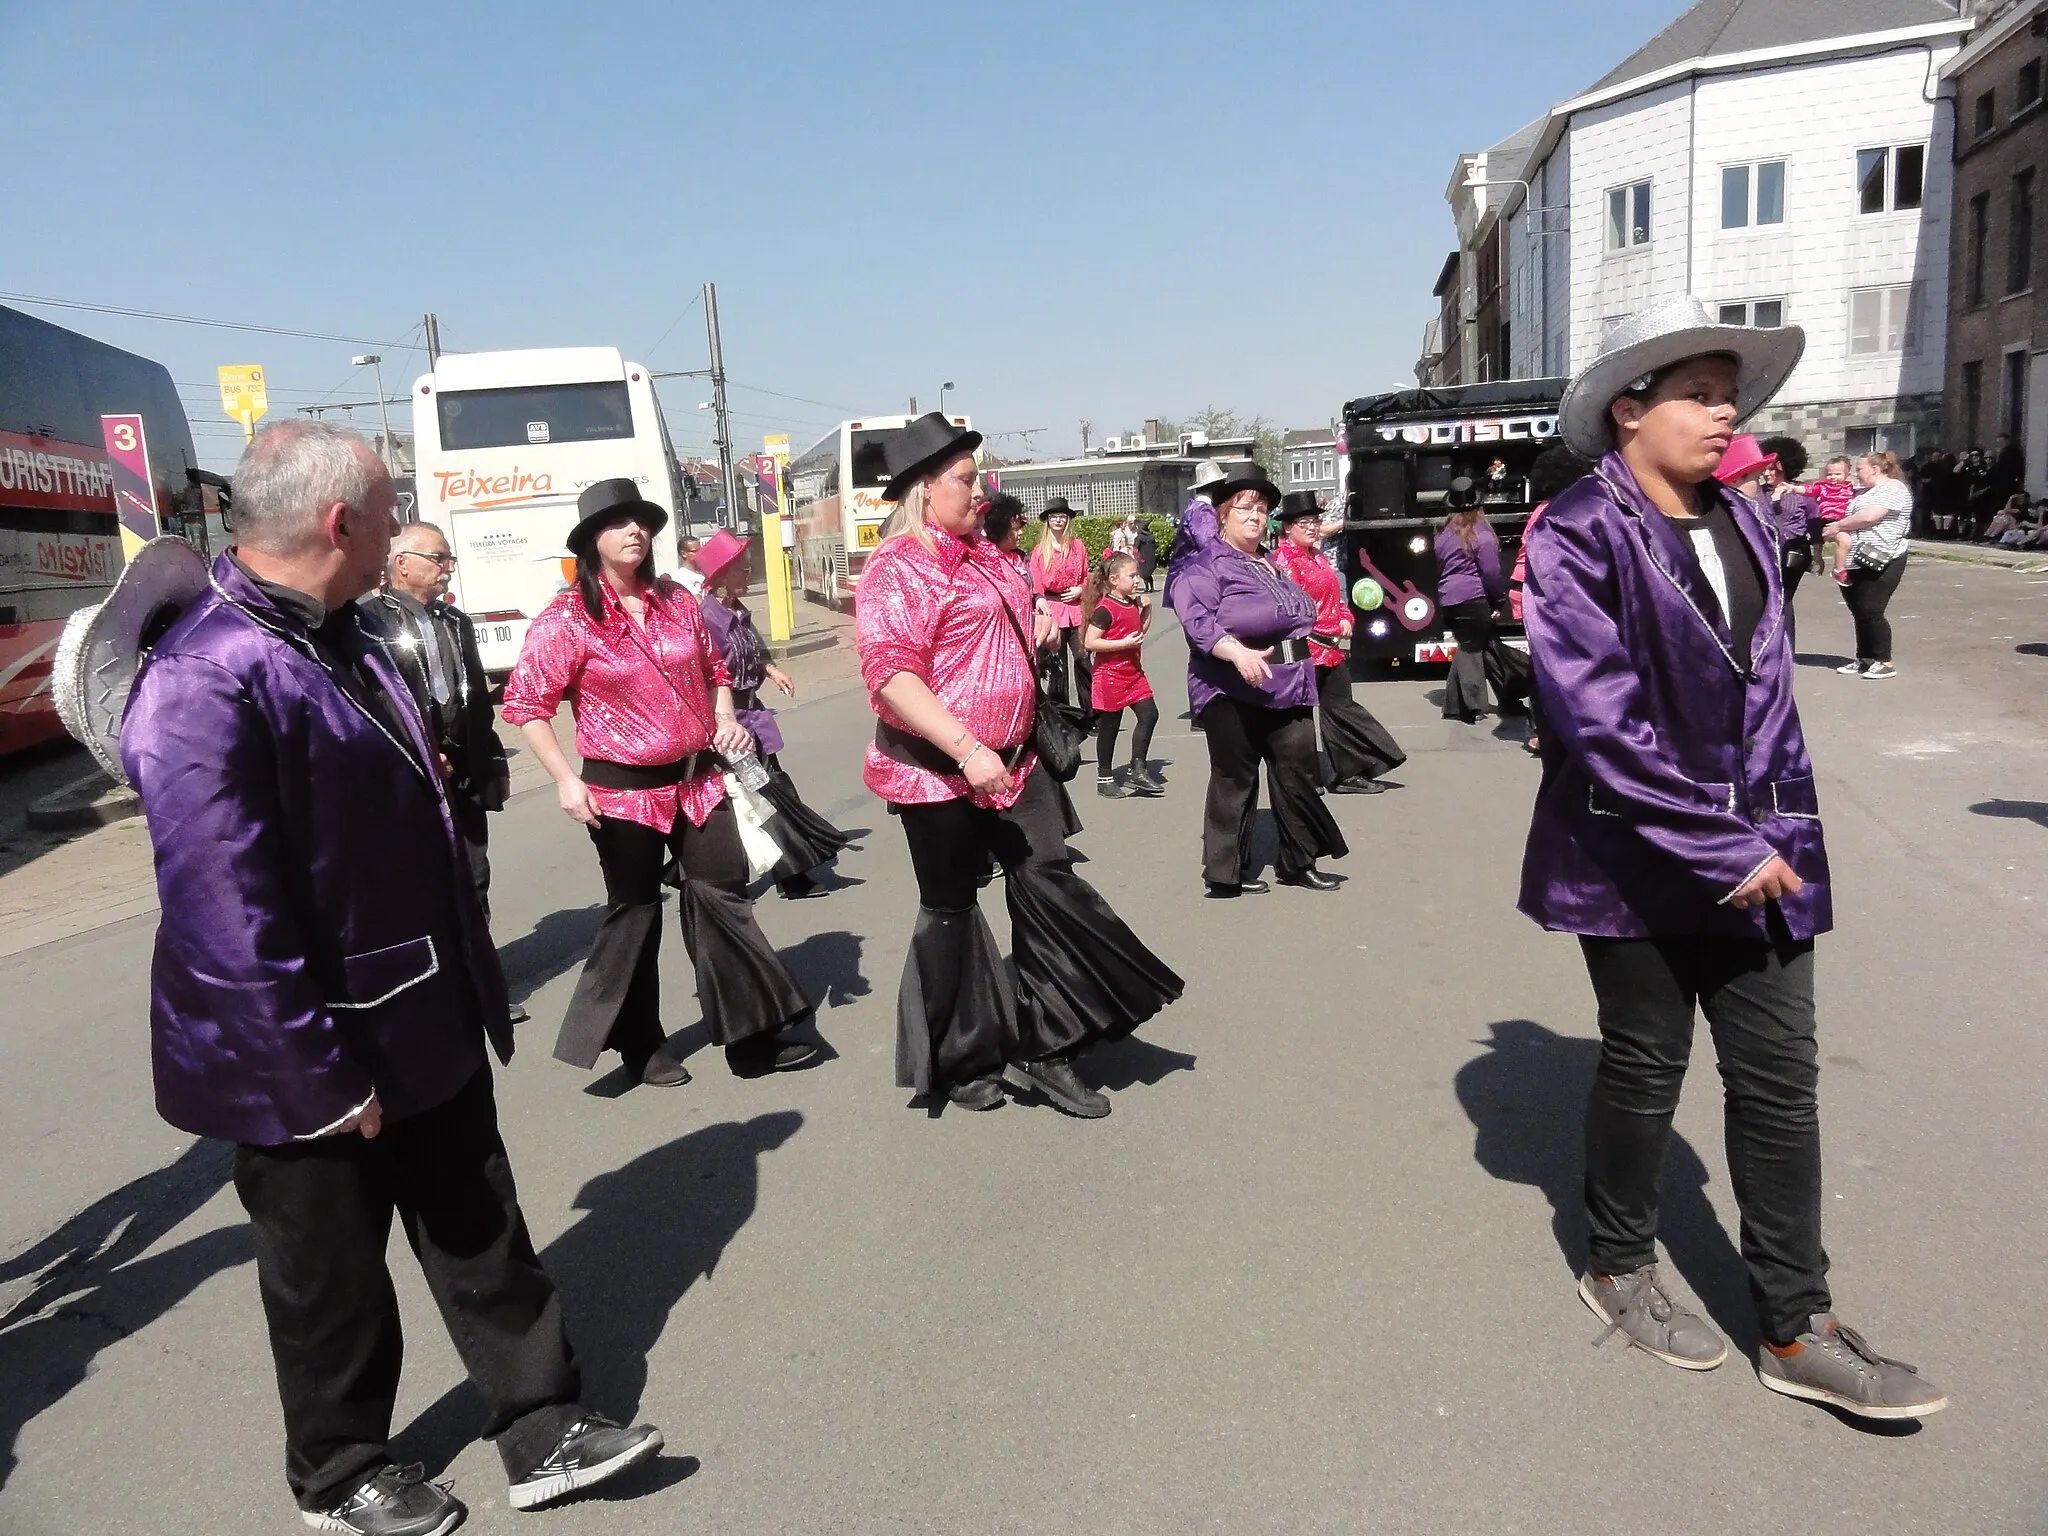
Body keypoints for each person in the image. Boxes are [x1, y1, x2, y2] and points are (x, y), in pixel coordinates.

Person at [119, 422, 662, 1534]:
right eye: (387, 506)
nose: (406, 527)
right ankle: (339, 1472)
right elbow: (226, 913)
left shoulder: (349, 632)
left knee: (480, 1223)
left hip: (418, 1005)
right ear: (340, 522)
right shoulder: (205, 674)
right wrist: (319, 1073)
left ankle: (538, 1419)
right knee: (329, 1276)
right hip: (300, 1047)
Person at [1523, 294, 1945, 1421]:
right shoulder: (1574, 528)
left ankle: (1794, 1326)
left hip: (1767, 856)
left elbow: (1768, 697)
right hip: (1628, 854)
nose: (1724, 416)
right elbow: (1593, 716)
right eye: (1698, 396)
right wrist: (1712, 839)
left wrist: (1773, 835)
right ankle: (1615, 1262)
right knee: (1644, 1065)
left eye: (1728, 396)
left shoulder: (1750, 521)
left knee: (1777, 1083)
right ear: (1628, 411)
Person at [856, 414, 1181, 1116]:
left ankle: (1047, 1042)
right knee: (950, 911)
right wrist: (968, 750)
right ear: (923, 489)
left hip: (1017, 759)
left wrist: (1029, 624)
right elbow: (891, 676)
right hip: (935, 771)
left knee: (1049, 884)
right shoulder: (896, 569)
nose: (982, 493)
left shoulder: (990, 555)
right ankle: (959, 1055)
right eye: (969, 482)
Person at [501, 478, 822, 1088]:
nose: (635, 532)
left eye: (643, 521)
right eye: (620, 522)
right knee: (637, 914)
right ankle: (639, 1044)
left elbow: (716, 667)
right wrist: (567, 781)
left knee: (722, 899)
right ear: (593, 539)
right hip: (621, 792)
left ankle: (749, 1035)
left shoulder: (676, 600)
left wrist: (724, 716)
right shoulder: (567, 618)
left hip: (698, 781)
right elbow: (526, 705)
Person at [363, 521, 525, 1025]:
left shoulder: (455, 621)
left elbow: (475, 698)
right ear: (402, 562)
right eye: (438, 558)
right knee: (416, 883)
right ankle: (426, 989)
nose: (447, 567)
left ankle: (478, 986)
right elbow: (370, 704)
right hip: (408, 776)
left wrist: (489, 758)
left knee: (474, 876)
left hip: (465, 772)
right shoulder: (365, 622)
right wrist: (420, 750)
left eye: (448, 559)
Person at [1175, 468, 1349, 896]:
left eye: (1261, 508)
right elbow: (1196, 621)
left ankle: (1298, 861)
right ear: (1221, 516)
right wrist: (1236, 652)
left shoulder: (1270, 563)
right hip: (1230, 686)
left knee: (1297, 772)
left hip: (1289, 684)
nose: (1255, 516)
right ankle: (1225, 872)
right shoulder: (1205, 565)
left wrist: (1331, 628)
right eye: (1244, 508)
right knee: (1235, 777)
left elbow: (1297, 615)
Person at [695, 528, 852, 898]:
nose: (749, 574)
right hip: (729, 725)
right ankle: (775, 877)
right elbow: (707, 675)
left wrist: (771, 670)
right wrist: (722, 723)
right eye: (742, 568)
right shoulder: (707, 619)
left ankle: (790, 873)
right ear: (721, 574)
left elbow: (752, 651)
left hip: (755, 718)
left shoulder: (736, 612)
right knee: (758, 798)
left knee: (774, 791)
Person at [1270, 491, 1405, 793]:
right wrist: (1321, 627)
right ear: (1288, 527)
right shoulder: (1284, 562)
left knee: (1341, 708)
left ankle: (1347, 773)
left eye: (1314, 521)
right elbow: (1291, 609)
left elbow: (1335, 595)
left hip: (1329, 648)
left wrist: (1345, 617)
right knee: (1299, 717)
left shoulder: (1317, 556)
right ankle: (1303, 778)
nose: (1311, 526)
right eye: (1303, 522)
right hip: (1304, 648)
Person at [1508, 443, 1596, 756]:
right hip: (1542, 595)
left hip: (1534, 592)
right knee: (1551, 666)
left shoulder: (1547, 508)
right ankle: (1543, 731)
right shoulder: (1557, 512)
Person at [1436, 477, 1520, 723]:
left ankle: (1507, 696)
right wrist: (1498, 601)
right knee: (1472, 649)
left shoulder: (1442, 534)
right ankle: (1474, 707)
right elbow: (1491, 574)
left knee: (1486, 646)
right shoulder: (1481, 534)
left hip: (1449, 599)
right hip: (1473, 597)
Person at [1824, 451, 1913, 679]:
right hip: (1856, 557)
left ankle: (1884, 660)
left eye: (1860, 469)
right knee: (1859, 610)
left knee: (1872, 608)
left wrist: (1838, 526)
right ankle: (1865, 658)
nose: (1856, 474)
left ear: (1875, 469)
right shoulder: (1862, 492)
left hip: (1885, 556)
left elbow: (1872, 516)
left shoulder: (1893, 488)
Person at [1080, 550, 1163, 798]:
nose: (1137, 580)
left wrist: (1146, 611)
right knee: (1110, 726)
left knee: (1149, 715)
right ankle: (1104, 777)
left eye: (1137, 576)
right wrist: (1122, 644)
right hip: (1110, 676)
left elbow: (1138, 632)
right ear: (1114, 580)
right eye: (1132, 576)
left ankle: (1137, 769)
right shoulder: (1105, 609)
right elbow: (1089, 642)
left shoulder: (1131, 603)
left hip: (1133, 673)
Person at [1029, 496, 1091, 711]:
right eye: (1054, 516)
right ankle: (1062, 711)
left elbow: (1086, 576)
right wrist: (1040, 598)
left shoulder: (1077, 546)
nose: (1058, 520)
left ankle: (1091, 711)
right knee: (1058, 665)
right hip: (1053, 609)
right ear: (1047, 520)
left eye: (1062, 516)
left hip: (1075, 608)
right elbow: (1035, 581)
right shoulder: (1040, 550)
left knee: (1083, 658)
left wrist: (1080, 589)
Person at [1132, 514, 1159, 592]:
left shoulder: (1139, 538)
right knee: (1149, 573)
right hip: (1151, 558)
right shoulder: (1151, 537)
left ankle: (1147, 587)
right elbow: (1155, 546)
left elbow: (1136, 548)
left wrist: (1136, 556)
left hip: (1142, 558)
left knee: (1144, 573)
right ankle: (1151, 587)